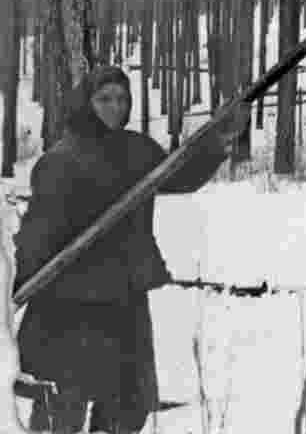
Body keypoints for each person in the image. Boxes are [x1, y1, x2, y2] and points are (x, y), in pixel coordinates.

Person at [13, 65, 250, 434]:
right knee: (64, 408)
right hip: (68, 307)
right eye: (104, 98)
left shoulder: (137, 150)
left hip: (123, 299)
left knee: (127, 405)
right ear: (86, 103)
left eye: (122, 99)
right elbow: (37, 235)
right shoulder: (59, 161)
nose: (114, 107)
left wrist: (220, 140)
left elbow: (180, 175)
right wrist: (15, 285)